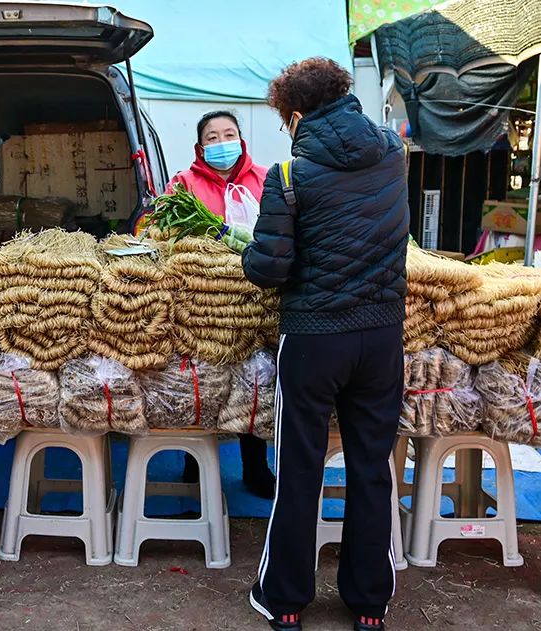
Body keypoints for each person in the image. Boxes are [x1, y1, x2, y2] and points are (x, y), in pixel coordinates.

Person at [242, 58, 408, 631]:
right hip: (382, 336)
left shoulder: (289, 176)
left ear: (294, 115)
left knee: (300, 469)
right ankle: (369, 605)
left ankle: (285, 598)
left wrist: (247, 251)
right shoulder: (393, 153)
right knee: (370, 467)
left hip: (314, 339)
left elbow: (269, 268)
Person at [162, 111, 275, 499]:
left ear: (241, 139)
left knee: (253, 379)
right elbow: (167, 236)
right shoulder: (183, 184)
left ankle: (256, 469)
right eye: (213, 137)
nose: (221, 142)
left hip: (254, 297)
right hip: (202, 301)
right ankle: (195, 467)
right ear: (200, 146)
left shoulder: (267, 179)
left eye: (229, 134)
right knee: (203, 379)